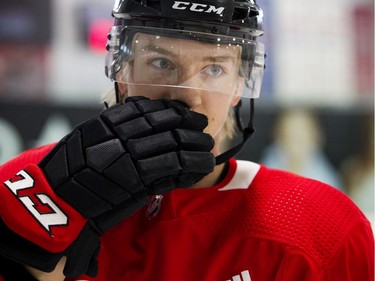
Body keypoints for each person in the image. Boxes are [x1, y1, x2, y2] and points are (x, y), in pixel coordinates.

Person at [0, 0, 373, 280]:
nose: (188, 96)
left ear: (238, 86)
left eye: (214, 68)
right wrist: (30, 248)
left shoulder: (320, 225)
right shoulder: (27, 185)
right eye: (162, 62)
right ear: (122, 70)